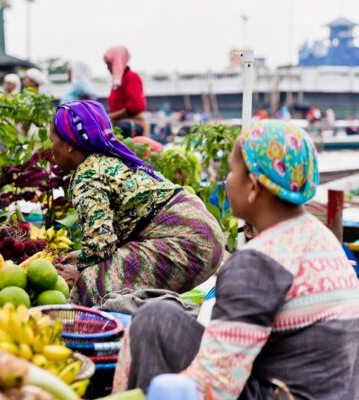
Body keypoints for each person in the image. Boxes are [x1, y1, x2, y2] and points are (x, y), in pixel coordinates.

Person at [113, 120, 359, 399]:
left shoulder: (259, 263)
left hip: (282, 392)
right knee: (162, 315)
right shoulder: (323, 239)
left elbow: (216, 385)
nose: (226, 181)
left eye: (231, 171)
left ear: (253, 187)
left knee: (154, 322)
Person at [50, 100, 225, 307]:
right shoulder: (110, 160)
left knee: (91, 284)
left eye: (51, 139)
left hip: (187, 243)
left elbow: (100, 247)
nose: (51, 148)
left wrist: (79, 270)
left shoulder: (87, 175)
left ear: (69, 144)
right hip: (201, 235)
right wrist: (82, 256)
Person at [103, 46, 148, 137]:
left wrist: (110, 116)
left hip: (131, 127)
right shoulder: (117, 84)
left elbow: (135, 106)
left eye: (109, 64)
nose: (107, 68)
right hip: (120, 127)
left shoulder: (131, 77)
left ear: (117, 62)